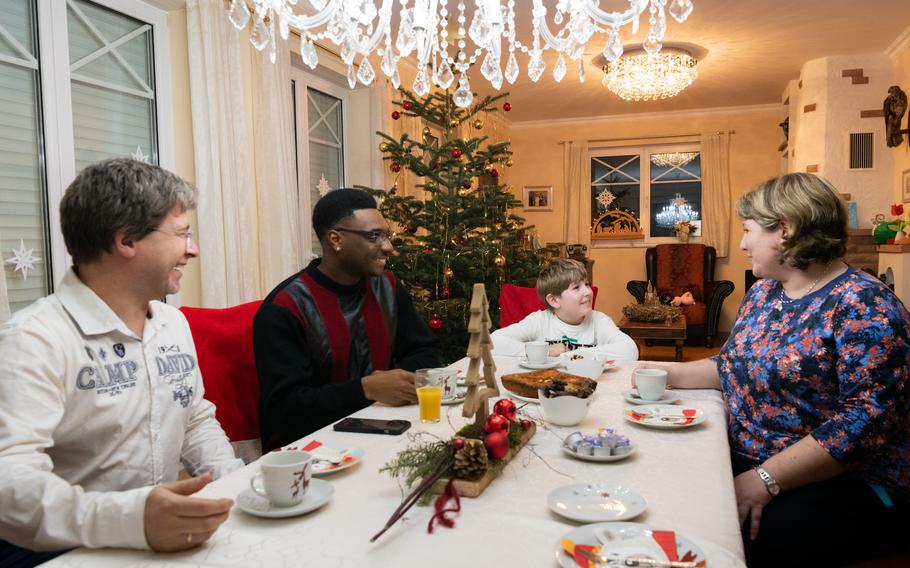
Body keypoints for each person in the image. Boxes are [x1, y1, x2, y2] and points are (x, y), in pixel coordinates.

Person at [643, 173, 909, 566]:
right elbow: (732, 365)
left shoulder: (865, 305)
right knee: (661, 490)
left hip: (847, 483)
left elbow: (862, 425)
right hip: (753, 459)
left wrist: (764, 480)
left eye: (748, 230)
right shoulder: (765, 292)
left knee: (714, 543)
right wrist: (654, 371)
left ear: (785, 230)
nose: (742, 243)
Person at [0, 159, 243, 566]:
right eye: (182, 233)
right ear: (127, 241)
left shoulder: (172, 323)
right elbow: (10, 483)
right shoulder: (35, 338)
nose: (192, 249)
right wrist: (130, 520)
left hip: (156, 541)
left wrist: (236, 484)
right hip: (57, 552)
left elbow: (195, 418)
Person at [253, 188, 441, 452]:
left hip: (385, 429)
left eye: (386, 235)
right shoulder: (287, 308)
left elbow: (426, 351)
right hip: (314, 453)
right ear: (335, 239)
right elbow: (285, 408)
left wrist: (394, 384)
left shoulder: (387, 287)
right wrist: (366, 389)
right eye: (373, 236)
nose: (388, 247)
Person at [491, 258, 639, 361]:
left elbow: (630, 350)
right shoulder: (539, 321)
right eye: (576, 287)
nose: (588, 292)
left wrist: (574, 355)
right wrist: (545, 351)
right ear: (554, 300)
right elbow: (492, 342)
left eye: (586, 284)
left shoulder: (599, 321)